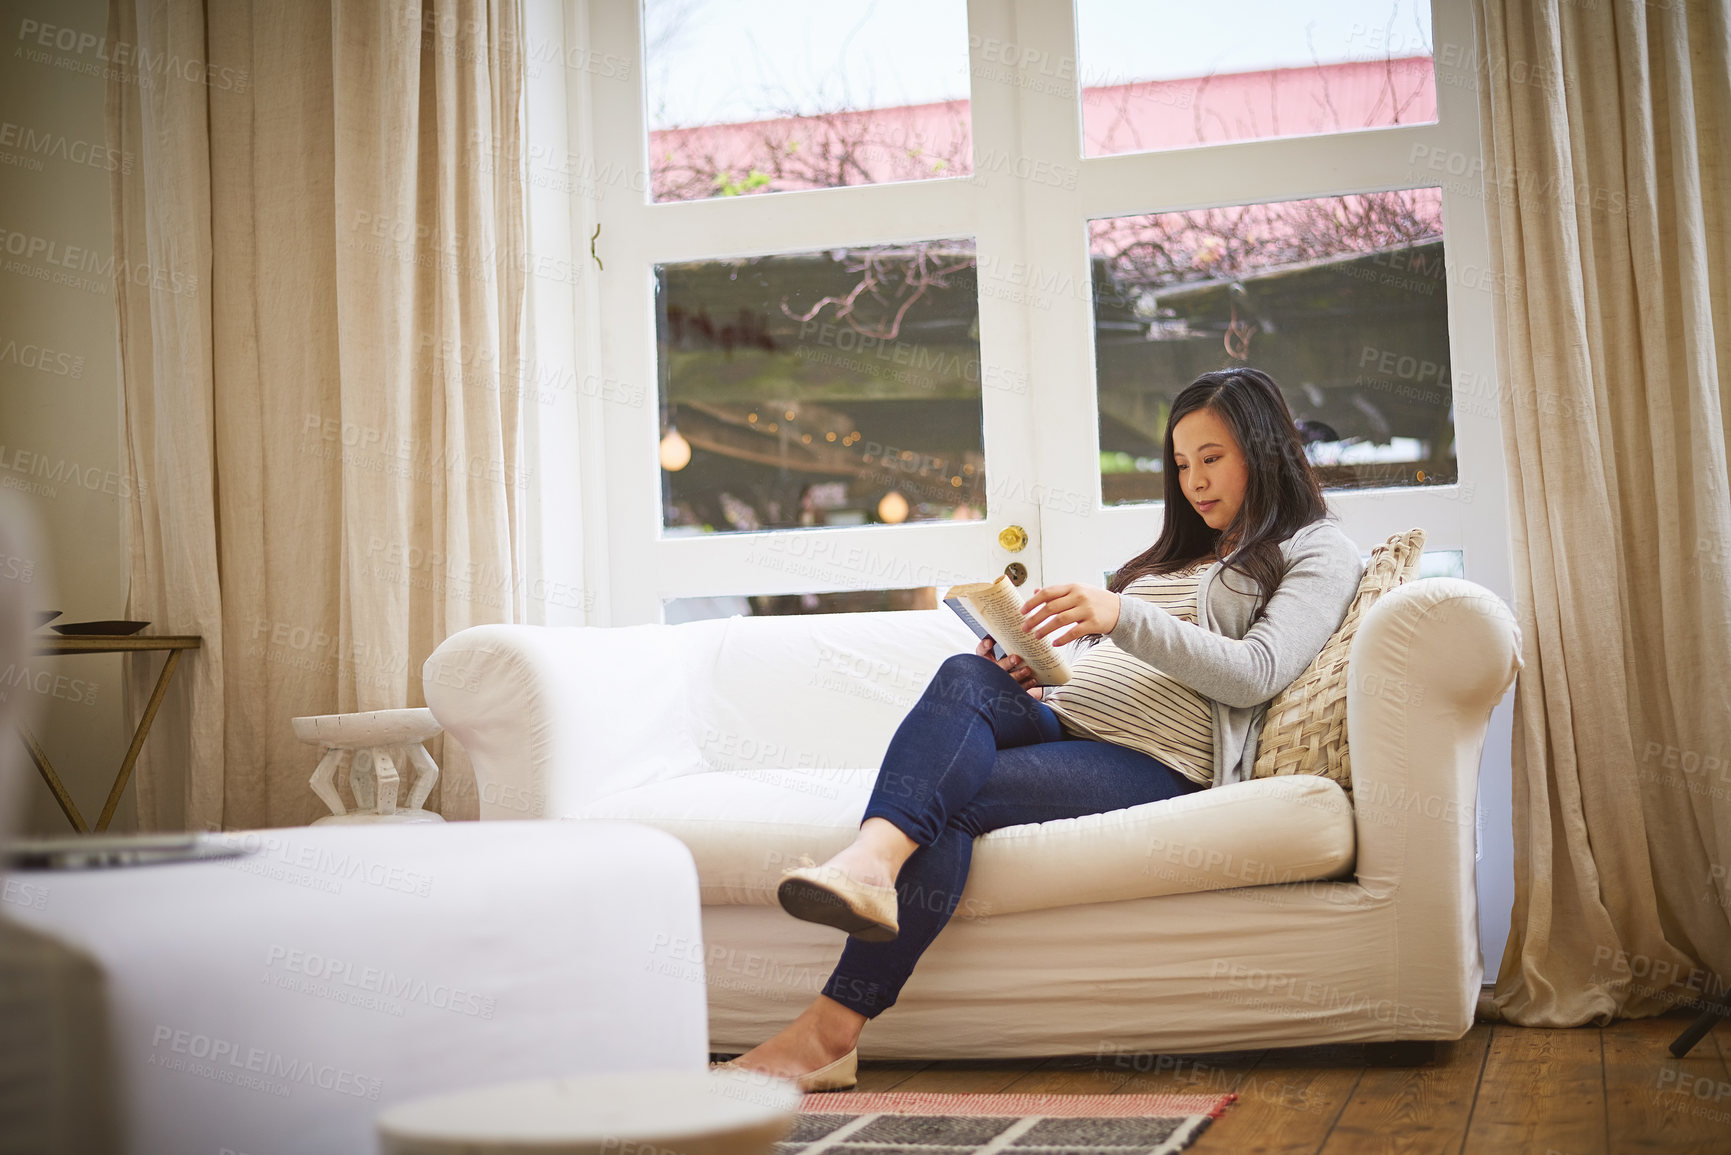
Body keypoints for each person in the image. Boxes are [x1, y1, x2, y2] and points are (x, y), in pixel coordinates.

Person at [718, 367, 1365, 1090]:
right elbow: (1119, 665)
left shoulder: (1318, 547)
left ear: (1264, 448)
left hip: (1151, 758)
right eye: (1181, 464)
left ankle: (827, 1030)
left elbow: (1255, 670)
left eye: (1211, 458)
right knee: (967, 675)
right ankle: (869, 863)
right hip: (1064, 715)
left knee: (949, 804)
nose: (1193, 482)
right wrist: (1029, 665)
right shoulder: (1177, 551)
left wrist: (1120, 613)